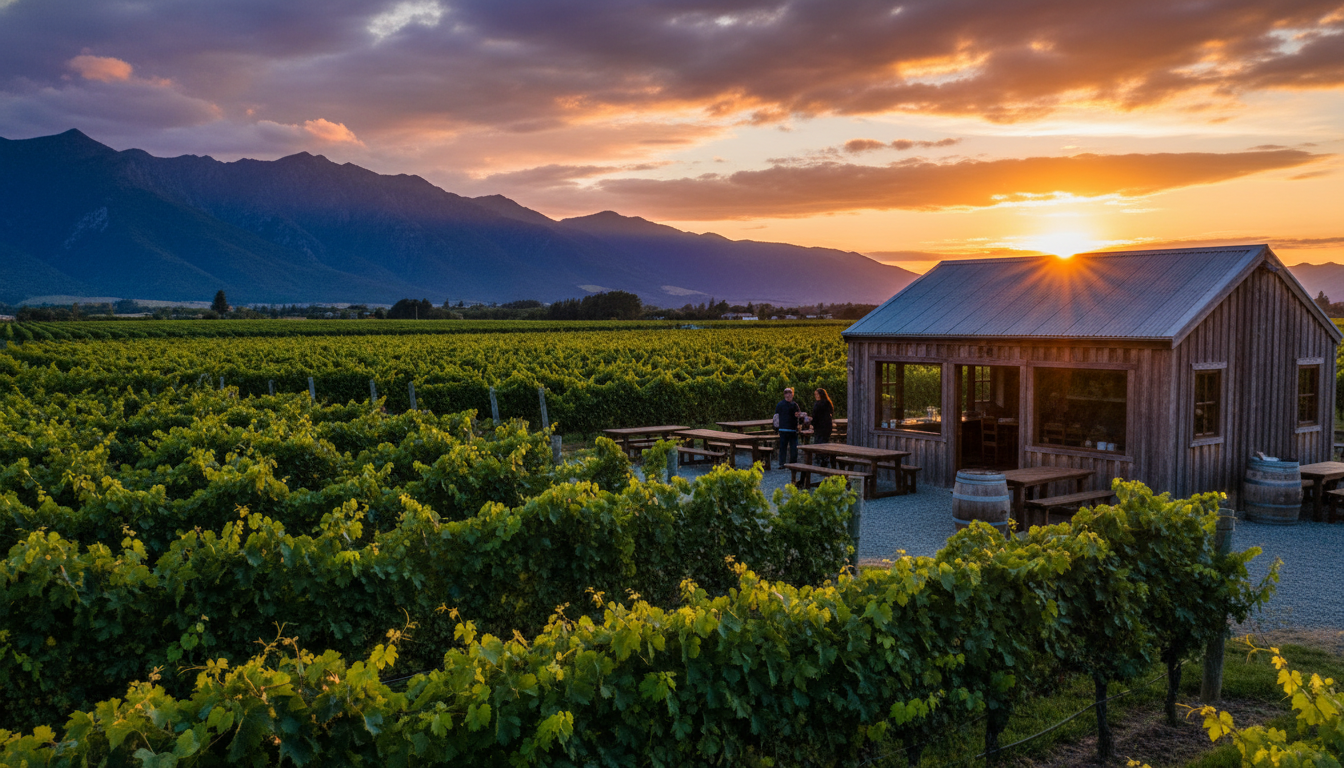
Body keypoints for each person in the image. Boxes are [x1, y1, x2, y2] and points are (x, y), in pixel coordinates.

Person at [773, 387, 806, 468]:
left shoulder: (781, 404)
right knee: (791, 447)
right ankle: (791, 463)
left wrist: (776, 428)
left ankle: (783, 463)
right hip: (788, 429)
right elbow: (776, 417)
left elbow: (775, 417)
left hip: (788, 429)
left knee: (785, 447)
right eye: (787, 394)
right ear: (785, 395)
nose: (788, 395)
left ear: (792, 394)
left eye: (789, 393)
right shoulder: (794, 405)